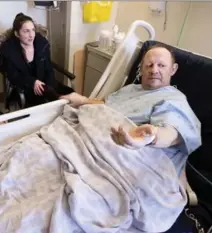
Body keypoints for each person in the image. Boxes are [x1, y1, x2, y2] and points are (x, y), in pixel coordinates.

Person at [61, 44, 202, 175]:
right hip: (87, 138)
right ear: (141, 68)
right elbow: (105, 103)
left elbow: (173, 132)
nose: (154, 70)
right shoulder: (131, 89)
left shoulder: (173, 99)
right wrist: (83, 100)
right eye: (149, 65)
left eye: (161, 65)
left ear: (173, 69)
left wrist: (150, 137)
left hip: (117, 155)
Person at [0, 13, 74, 107]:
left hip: (46, 83)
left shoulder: (41, 44)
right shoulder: (9, 51)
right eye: (26, 31)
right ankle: (63, 99)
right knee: (57, 105)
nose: (31, 35)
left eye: (33, 30)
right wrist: (33, 82)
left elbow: (48, 68)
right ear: (17, 34)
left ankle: (71, 99)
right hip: (26, 87)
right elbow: (14, 76)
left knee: (70, 95)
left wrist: (49, 86)